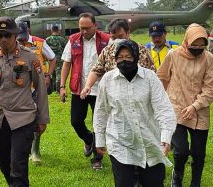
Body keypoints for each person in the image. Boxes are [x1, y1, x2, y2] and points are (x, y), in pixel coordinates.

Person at [0, 17, 49, 186]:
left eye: (7, 35)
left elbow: (41, 88)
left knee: (18, 166)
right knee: (2, 158)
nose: (3, 39)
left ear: (15, 35)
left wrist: (43, 119)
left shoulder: (30, 56)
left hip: (23, 119)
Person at [94, 39, 176, 187]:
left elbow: (164, 108)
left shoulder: (150, 78)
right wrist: (99, 138)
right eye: (119, 57)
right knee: (124, 183)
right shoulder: (108, 79)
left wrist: (166, 136)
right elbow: (101, 111)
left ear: (137, 57)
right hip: (120, 141)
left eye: (128, 57)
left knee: (154, 182)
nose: (124, 61)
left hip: (149, 139)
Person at [157, 23, 213, 187]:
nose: (197, 48)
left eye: (201, 46)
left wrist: (195, 106)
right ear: (186, 41)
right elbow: (162, 76)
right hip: (176, 110)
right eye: (194, 45)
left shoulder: (209, 58)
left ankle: (196, 182)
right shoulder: (173, 55)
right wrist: (165, 100)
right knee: (181, 151)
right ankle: (177, 177)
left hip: (199, 112)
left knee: (198, 154)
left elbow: (210, 89)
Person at [59, 12, 110, 170]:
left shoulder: (106, 40)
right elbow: (67, 63)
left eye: (87, 28)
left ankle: (97, 158)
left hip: (100, 89)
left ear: (95, 25)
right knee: (76, 121)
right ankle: (89, 140)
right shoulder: (73, 40)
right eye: (81, 28)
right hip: (79, 89)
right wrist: (62, 86)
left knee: (99, 125)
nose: (84, 31)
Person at [80, 18, 155, 99]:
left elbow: (152, 72)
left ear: (128, 33)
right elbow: (96, 70)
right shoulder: (107, 51)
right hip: (115, 95)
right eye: (113, 38)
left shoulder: (141, 50)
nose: (117, 40)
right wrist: (87, 86)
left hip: (139, 94)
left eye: (120, 36)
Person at [16, 21, 56, 163]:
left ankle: (35, 151)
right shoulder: (13, 43)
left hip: (37, 86)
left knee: (38, 119)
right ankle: (24, 149)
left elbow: (52, 58)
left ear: (29, 31)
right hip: (20, 88)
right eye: (18, 37)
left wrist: (47, 76)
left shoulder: (39, 43)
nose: (21, 40)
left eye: (23, 37)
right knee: (22, 118)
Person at [46, 25, 68, 93]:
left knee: (52, 73)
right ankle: (59, 89)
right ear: (58, 31)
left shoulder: (47, 39)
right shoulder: (62, 39)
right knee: (59, 73)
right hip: (60, 59)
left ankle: (52, 89)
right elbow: (66, 49)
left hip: (51, 59)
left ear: (51, 31)